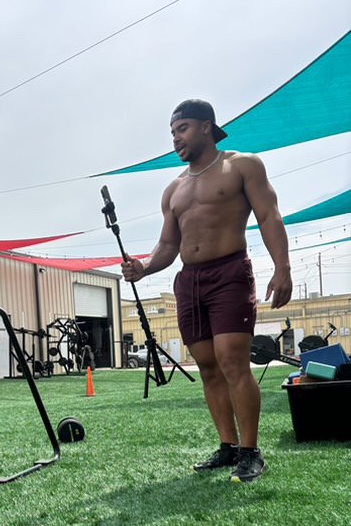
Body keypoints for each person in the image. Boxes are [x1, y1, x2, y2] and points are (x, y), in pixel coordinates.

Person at [122, 99, 292, 483]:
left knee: (232, 361)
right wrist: (144, 267)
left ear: (206, 126)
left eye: (181, 129)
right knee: (208, 367)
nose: (175, 139)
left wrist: (282, 268)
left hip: (229, 272)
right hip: (189, 280)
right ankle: (227, 446)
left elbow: (269, 216)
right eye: (172, 133)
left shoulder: (242, 165)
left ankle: (251, 452)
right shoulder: (174, 189)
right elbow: (168, 244)